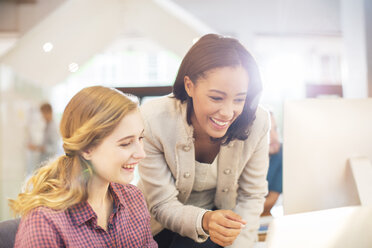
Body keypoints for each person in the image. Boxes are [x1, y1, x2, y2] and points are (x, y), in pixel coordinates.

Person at [138, 34, 270, 248]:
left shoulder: (257, 121)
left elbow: (252, 195)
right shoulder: (153, 120)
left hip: (220, 229)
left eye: (239, 99)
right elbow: (162, 204)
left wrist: (240, 244)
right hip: (160, 228)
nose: (228, 112)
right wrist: (205, 220)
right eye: (216, 98)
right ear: (189, 86)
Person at [9, 86, 157, 248]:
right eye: (126, 143)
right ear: (87, 149)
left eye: (140, 138)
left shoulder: (133, 198)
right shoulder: (45, 224)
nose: (141, 153)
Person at [261, 112, 283, 216]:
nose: (274, 136)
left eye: (275, 129)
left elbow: (270, 203)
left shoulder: (280, 154)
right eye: (267, 131)